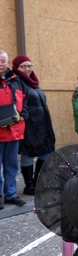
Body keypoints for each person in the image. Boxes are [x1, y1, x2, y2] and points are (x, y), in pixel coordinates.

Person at [12, 54, 55, 195]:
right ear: (16, 68)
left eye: (29, 65)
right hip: (29, 127)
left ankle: (37, 182)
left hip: (43, 125)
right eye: (23, 66)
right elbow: (19, 105)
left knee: (46, 152)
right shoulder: (17, 82)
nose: (27, 69)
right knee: (28, 154)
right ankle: (28, 185)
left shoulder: (34, 83)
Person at [0, 50, 27, 208]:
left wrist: (25, 114)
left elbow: (25, 100)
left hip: (14, 131)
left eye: (3, 60)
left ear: (7, 63)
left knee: (12, 166)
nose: (0, 64)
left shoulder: (16, 80)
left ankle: (10, 194)